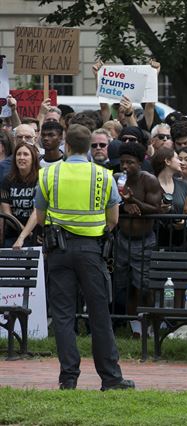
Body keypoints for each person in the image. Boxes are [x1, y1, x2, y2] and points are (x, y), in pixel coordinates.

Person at [33, 124, 134, 391]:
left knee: (64, 316)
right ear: (89, 146)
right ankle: (111, 378)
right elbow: (113, 219)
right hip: (92, 251)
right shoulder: (103, 176)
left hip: (58, 251)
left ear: (66, 145)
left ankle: (68, 378)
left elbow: (40, 217)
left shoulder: (48, 174)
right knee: (99, 315)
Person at [113, 142, 163, 336]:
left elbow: (156, 208)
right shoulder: (118, 179)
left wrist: (134, 202)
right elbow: (111, 202)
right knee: (126, 285)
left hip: (144, 240)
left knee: (145, 285)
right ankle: (134, 326)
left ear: (140, 163)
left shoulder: (149, 180)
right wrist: (124, 206)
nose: (125, 166)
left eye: (130, 162)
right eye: (123, 162)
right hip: (123, 239)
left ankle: (150, 323)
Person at [1, 142, 41, 248]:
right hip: (13, 232)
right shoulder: (7, 180)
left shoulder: (41, 178)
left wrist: (25, 236)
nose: (21, 157)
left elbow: (36, 212)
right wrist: (25, 234)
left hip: (37, 235)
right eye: (18, 154)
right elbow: (7, 214)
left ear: (33, 158)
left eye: (26, 154)